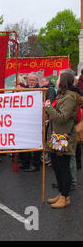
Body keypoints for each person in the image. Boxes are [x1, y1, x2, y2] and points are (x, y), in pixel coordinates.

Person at [44, 70, 82, 208]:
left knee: (63, 167)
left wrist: (48, 107)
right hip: (58, 136)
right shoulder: (63, 95)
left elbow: (63, 117)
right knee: (57, 165)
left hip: (64, 137)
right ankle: (61, 193)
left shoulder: (69, 97)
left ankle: (65, 196)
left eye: (59, 78)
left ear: (64, 81)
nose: (57, 80)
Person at [19, 73, 41, 172]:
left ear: (37, 81)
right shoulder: (25, 89)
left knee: (35, 144)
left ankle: (36, 165)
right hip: (25, 120)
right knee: (25, 143)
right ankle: (25, 163)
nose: (31, 82)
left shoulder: (40, 90)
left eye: (33, 80)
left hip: (36, 121)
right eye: (29, 80)